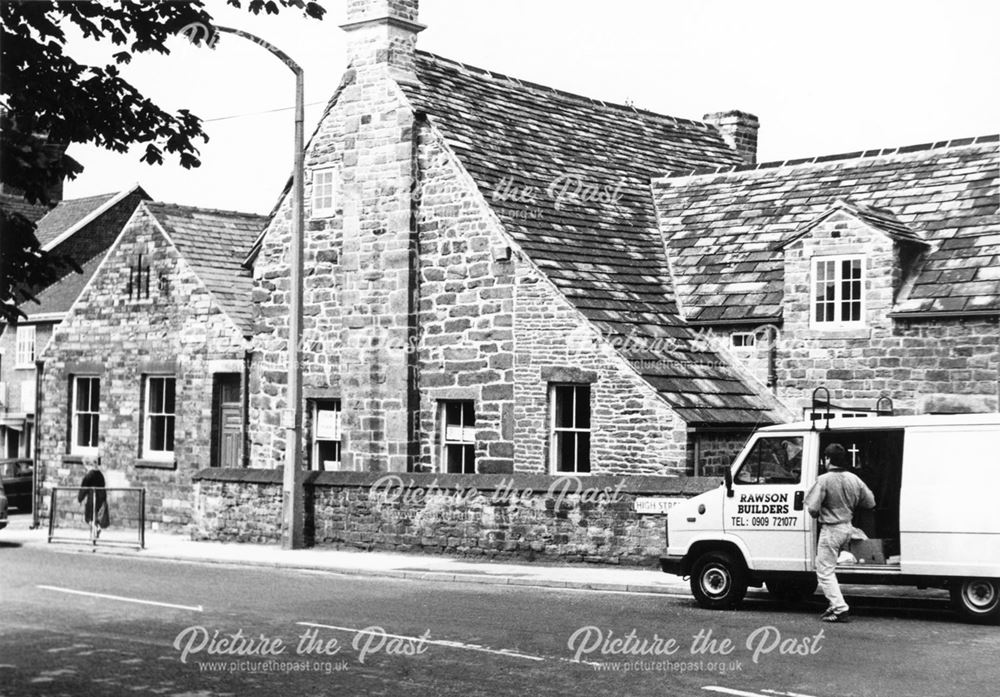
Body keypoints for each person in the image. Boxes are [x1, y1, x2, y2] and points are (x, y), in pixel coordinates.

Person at [805, 443, 875, 623]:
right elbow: (870, 502)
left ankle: (839, 608)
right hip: (847, 527)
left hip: (831, 529)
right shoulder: (854, 478)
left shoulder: (823, 480)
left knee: (824, 571)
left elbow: (812, 510)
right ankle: (834, 604)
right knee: (831, 569)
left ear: (827, 459)